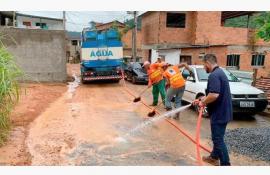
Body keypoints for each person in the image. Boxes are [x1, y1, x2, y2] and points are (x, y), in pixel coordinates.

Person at [193, 54, 232, 166]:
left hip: (219, 113)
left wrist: (203, 102)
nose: (204, 68)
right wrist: (201, 99)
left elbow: (214, 95)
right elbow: (213, 93)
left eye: (203, 65)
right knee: (218, 137)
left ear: (207, 63)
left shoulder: (214, 75)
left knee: (218, 139)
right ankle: (214, 157)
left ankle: (226, 164)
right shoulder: (220, 72)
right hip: (224, 112)